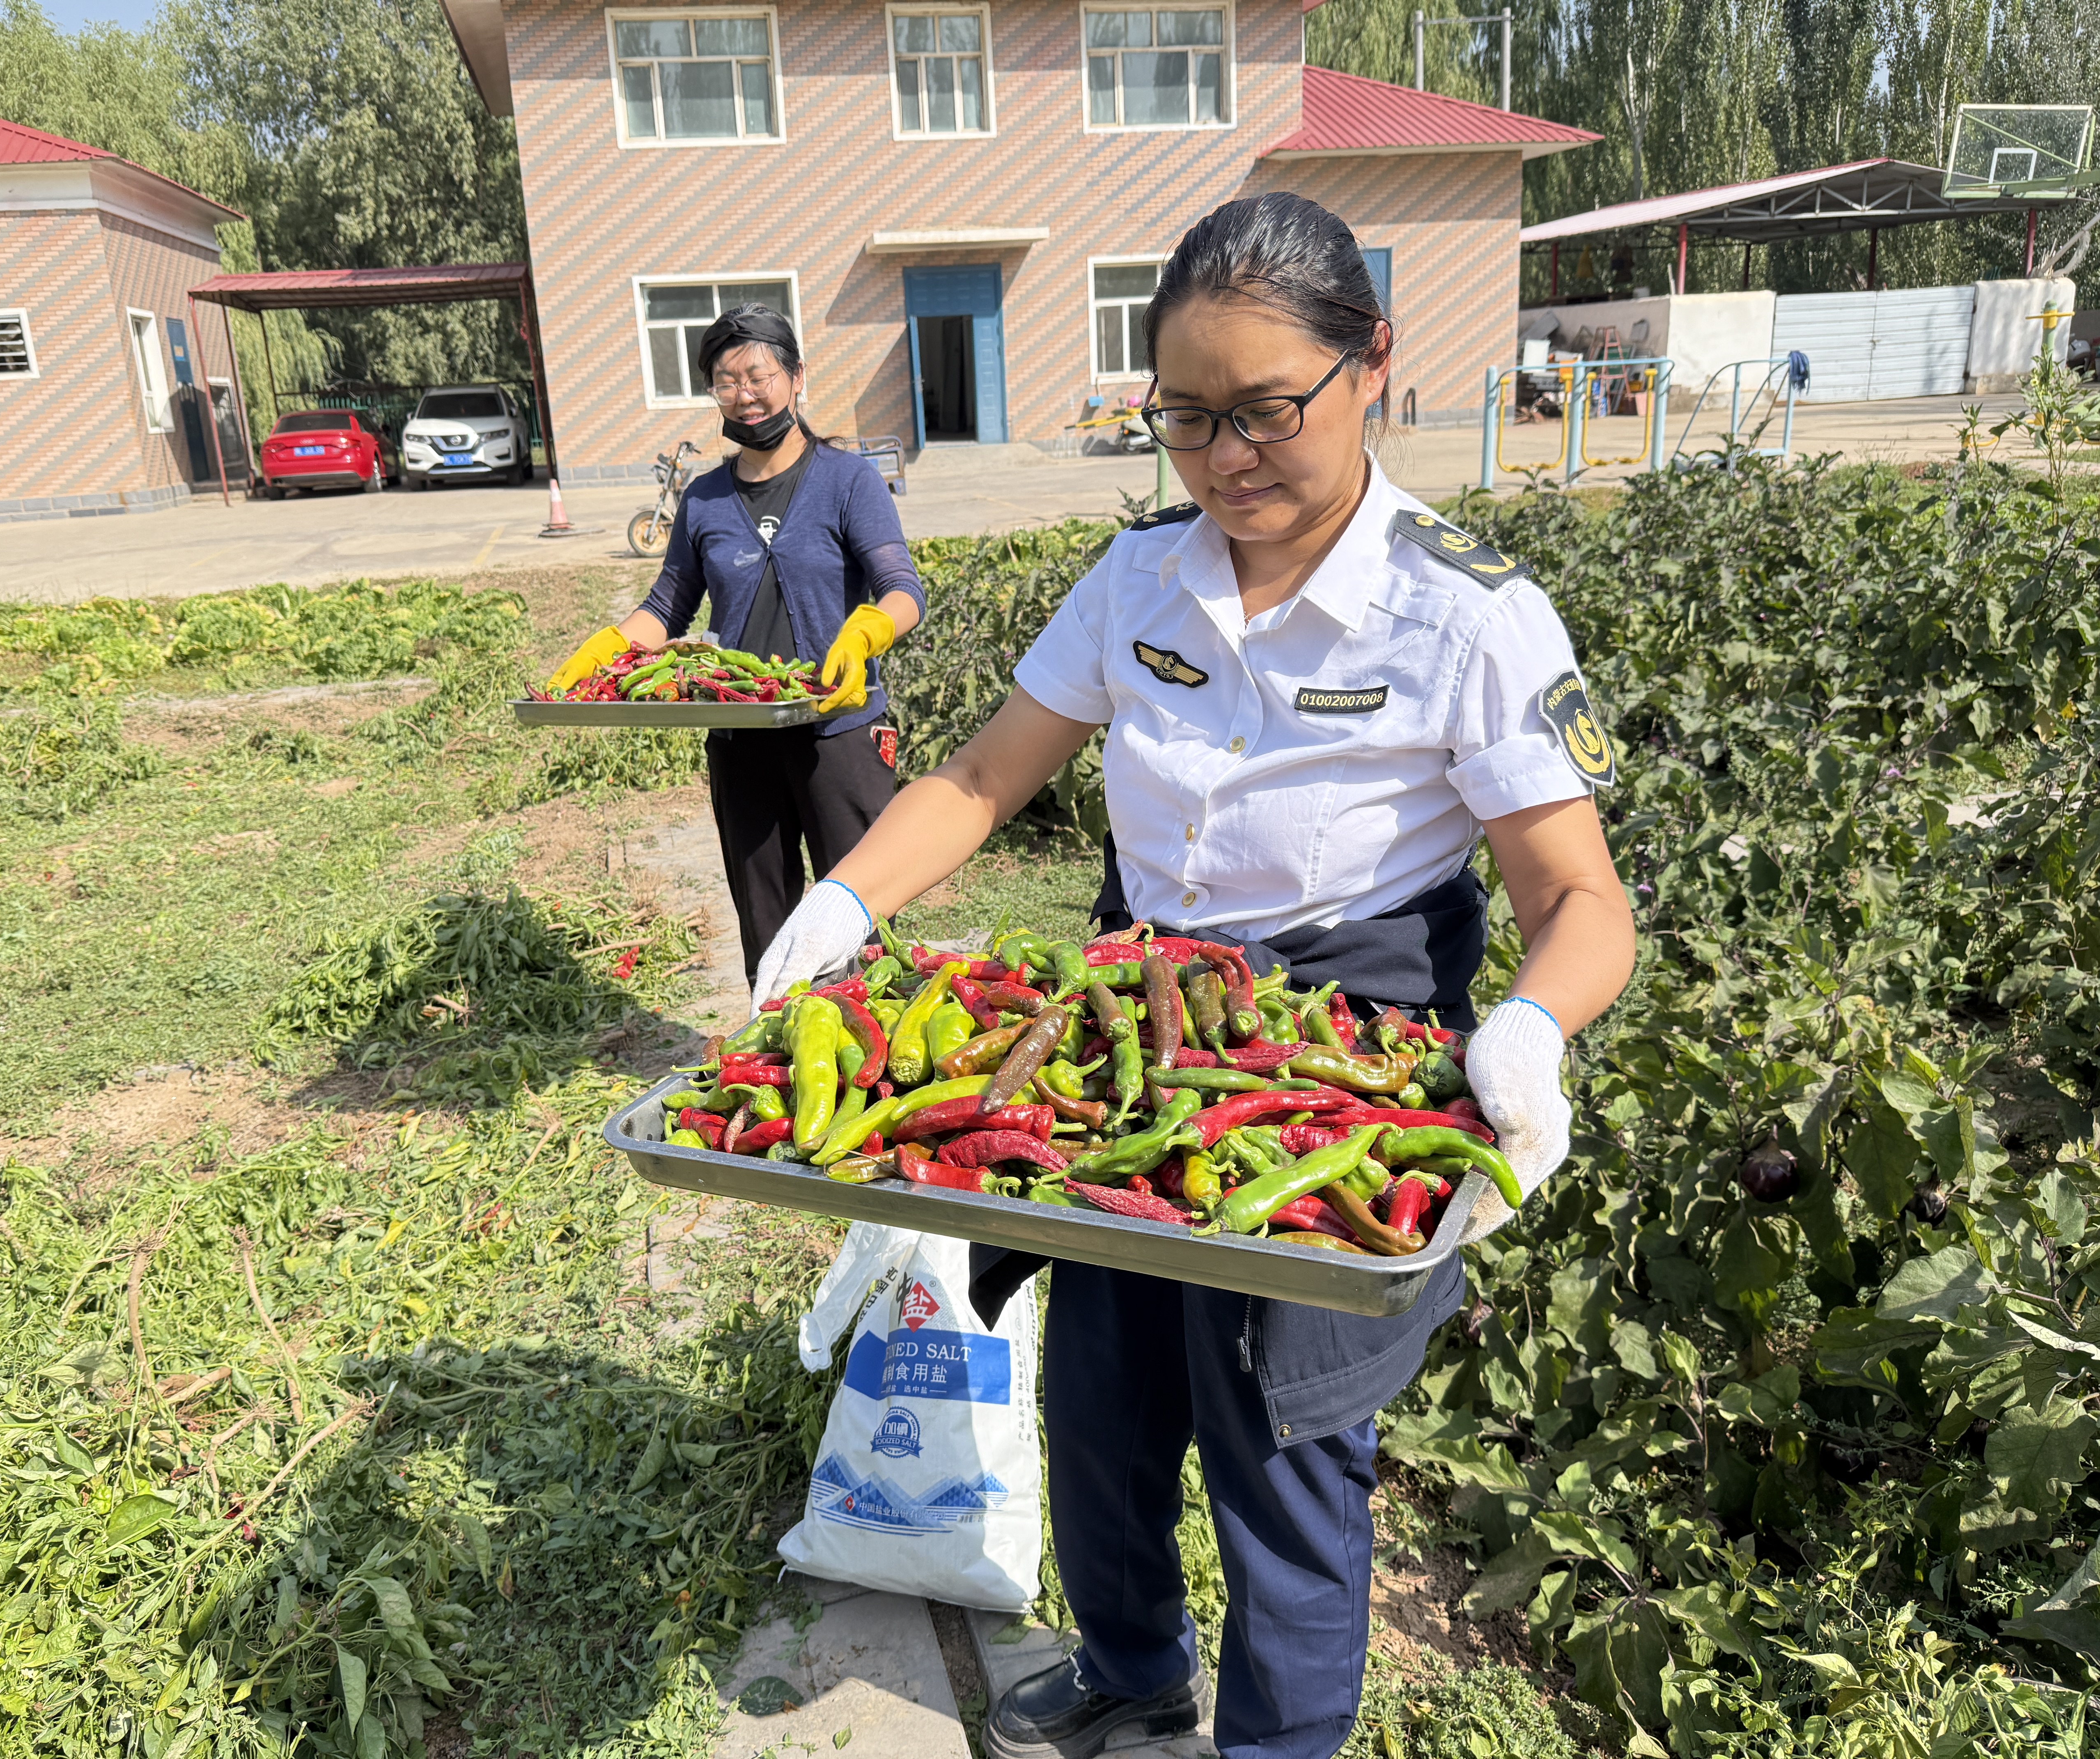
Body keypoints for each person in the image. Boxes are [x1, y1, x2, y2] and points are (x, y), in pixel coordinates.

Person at [748, 193, 1637, 1759]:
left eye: (1264, 411)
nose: (1226, 457)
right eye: (1187, 418)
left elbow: (1580, 898)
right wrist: (842, 899)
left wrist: (1526, 1024)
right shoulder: (1141, 578)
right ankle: (1131, 1667)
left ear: (1373, 364)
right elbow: (981, 776)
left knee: (1281, 1434)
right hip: (1127, 1029)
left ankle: (1278, 1744)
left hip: (1334, 1045)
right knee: (1099, 1396)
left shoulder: (1470, 614)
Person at [543, 304, 925, 981]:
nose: (745, 395)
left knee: (867, 923)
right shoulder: (705, 499)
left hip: (839, 734)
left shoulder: (848, 480)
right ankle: (775, 1064)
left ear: (796, 377)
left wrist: (870, 630)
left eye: (759, 375)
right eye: (726, 381)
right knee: (766, 928)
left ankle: (877, 1066)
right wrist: (608, 650)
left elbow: (901, 586)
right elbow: (667, 605)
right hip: (741, 739)